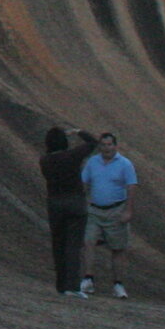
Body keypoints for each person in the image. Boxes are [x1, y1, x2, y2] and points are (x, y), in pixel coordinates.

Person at [38, 127, 100, 296]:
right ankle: (72, 286)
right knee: (73, 246)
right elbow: (94, 142)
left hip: (55, 204)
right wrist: (79, 131)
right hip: (75, 203)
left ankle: (61, 285)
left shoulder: (44, 160)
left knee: (58, 245)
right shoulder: (72, 156)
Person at [81, 132, 140, 297]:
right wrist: (81, 204)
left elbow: (131, 187)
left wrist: (128, 210)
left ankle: (118, 284)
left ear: (115, 146)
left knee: (118, 248)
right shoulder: (92, 162)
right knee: (88, 242)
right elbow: (84, 183)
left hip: (116, 211)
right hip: (94, 210)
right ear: (100, 146)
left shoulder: (125, 164)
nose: (106, 148)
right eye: (103, 145)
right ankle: (88, 279)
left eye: (109, 145)